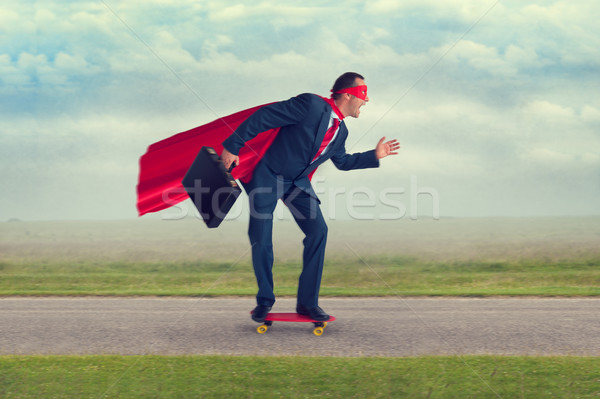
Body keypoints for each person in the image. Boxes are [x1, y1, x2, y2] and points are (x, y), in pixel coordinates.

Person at [221, 72, 399, 323]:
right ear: (348, 94)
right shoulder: (311, 105)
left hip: (297, 184)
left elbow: (343, 162)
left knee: (318, 232)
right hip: (269, 176)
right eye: (363, 94)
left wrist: (374, 155)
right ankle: (264, 301)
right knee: (260, 234)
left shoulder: (341, 133)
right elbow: (264, 117)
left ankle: (307, 303)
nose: (366, 100)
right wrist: (233, 146)